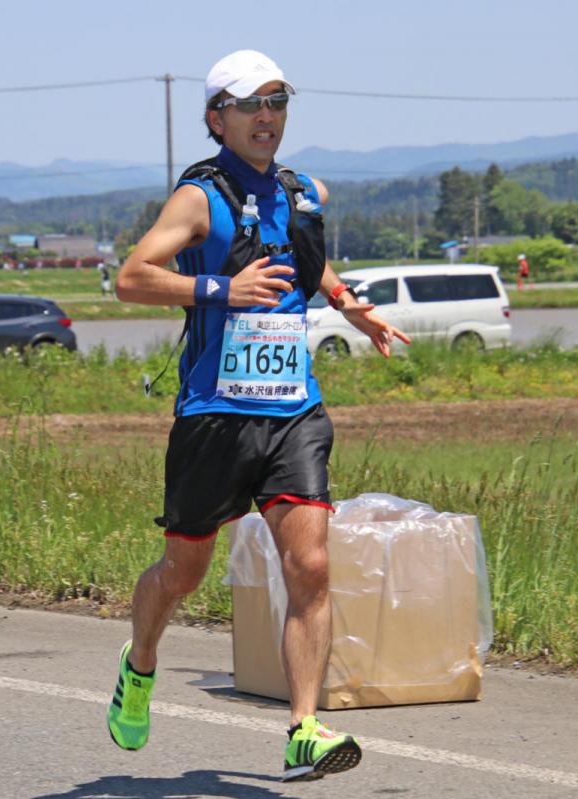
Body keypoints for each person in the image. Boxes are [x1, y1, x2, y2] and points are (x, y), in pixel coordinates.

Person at [106, 49, 410, 783]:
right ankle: (139, 661)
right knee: (186, 568)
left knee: (308, 563)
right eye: (251, 105)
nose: (267, 117)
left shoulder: (303, 192)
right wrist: (220, 288)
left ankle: (304, 727)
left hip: (291, 410)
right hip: (214, 414)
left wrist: (348, 307)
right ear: (218, 118)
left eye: (277, 102)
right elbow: (131, 279)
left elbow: (305, 263)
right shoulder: (198, 197)